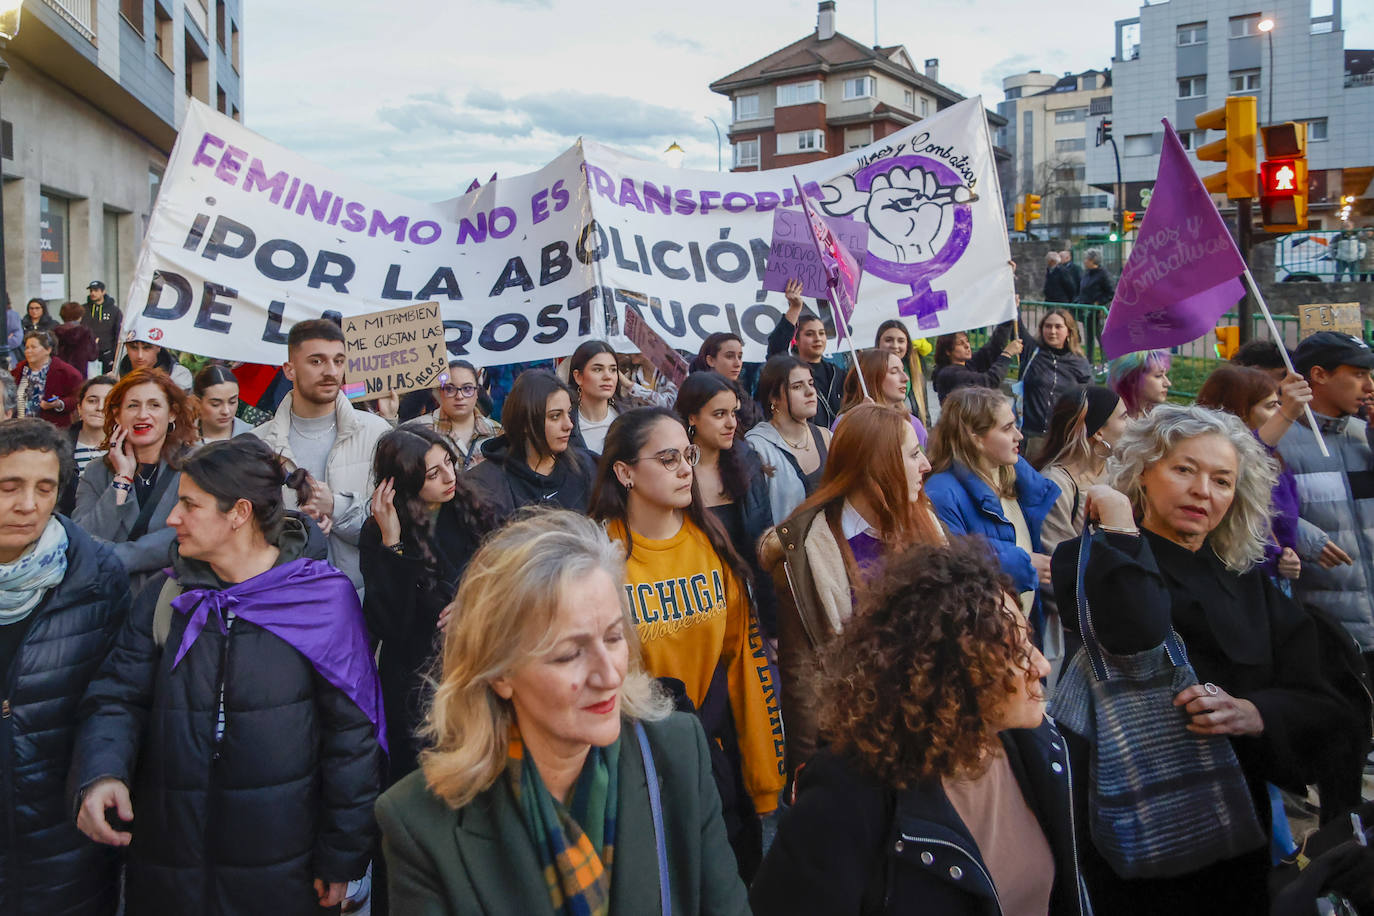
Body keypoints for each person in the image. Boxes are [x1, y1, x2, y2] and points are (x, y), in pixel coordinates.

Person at [1051, 405, 1362, 914]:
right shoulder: (1088, 560)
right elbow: (1135, 631)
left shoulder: (1245, 582)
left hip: (1235, 831)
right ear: (1143, 474)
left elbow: (1326, 703)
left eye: (1222, 480)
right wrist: (1121, 527)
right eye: (1183, 470)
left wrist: (1257, 713)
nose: (1203, 491)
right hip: (1135, 828)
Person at [374, 510, 751, 915]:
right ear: (500, 674)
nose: (609, 675)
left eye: (613, 637)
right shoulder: (419, 825)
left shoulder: (678, 752)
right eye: (570, 654)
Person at [72, 436, 383, 916]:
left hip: (283, 867)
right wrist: (102, 771)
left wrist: (342, 855)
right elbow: (117, 697)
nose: (172, 518)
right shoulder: (166, 595)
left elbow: (353, 739)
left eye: (189, 505)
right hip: (168, 863)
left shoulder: (321, 600)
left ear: (238, 513)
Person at [751, 541, 1089, 916]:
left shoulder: (1040, 748)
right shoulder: (847, 795)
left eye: (1029, 640)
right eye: (1013, 652)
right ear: (952, 675)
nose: (1041, 665)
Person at [590, 408, 785, 880]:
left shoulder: (711, 545)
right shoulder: (597, 556)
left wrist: (765, 779)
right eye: (668, 458)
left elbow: (747, 665)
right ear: (624, 472)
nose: (685, 469)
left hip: (714, 771)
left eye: (688, 455)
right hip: (632, 775)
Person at [760, 404, 944, 778]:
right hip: (855, 747)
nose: (926, 464)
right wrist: (808, 769)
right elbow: (802, 676)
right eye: (913, 454)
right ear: (877, 465)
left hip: (929, 733)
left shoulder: (926, 523)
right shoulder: (808, 551)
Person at [0, 419, 130, 916]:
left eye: (45, 487)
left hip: (60, 835)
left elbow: (116, 695)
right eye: (10, 487)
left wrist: (100, 775)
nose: (28, 505)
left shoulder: (96, 575)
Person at [360, 426, 496, 784]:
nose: (450, 476)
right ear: (403, 480)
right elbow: (388, 623)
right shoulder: (379, 532)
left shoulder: (472, 508)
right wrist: (393, 544)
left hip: (476, 665)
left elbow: (508, 578)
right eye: (433, 473)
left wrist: (474, 607)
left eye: (450, 462)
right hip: (417, 682)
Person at [251, 318, 392, 595]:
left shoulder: (377, 433)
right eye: (316, 362)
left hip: (362, 599)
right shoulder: (258, 444)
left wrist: (335, 507)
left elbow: (397, 525)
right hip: (281, 598)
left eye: (338, 361)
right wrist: (295, 531)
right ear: (289, 370)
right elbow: (242, 531)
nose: (331, 371)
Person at [926, 387, 1059, 640]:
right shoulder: (942, 493)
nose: (1019, 435)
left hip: (1021, 628)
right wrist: (1020, 564)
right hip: (982, 638)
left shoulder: (1016, 477)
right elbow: (949, 566)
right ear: (974, 436)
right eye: (1007, 428)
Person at [1277, 331, 1374, 672]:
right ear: (1319, 375)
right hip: (1328, 631)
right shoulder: (1279, 442)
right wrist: (1304, 538)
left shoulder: (1365, 435)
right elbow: (1256, 508)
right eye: (1359, 374)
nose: (1370, 385)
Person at [73, 368, 198, 592]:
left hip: (170, 596)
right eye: (133, 405)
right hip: (106, 600)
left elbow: (191, 532)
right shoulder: (96, 471)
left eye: (154, 405)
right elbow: (83, 540)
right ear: (117, 413)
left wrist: (117, 557)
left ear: (172, 413)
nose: (143, 414)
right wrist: (122, 479)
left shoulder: (197, 465)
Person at [674, 371, 777, 640]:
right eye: (719, 414)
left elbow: (762, 548)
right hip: (689, 619)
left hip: (742, 612)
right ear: (692, 417)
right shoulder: (671, 472)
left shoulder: (747, 463)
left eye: (733, 413)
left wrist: (773, 625)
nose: (731, 423)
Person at [1197, 364, 1311, 585]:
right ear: (1237, 410)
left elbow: (1283, 527)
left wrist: (1287, 555)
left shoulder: (1277, 463)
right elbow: (1247, 456)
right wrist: (1288, 413)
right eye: (1270, 406)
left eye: (1279, 405)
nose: (1277, 413)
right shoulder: (1219, 461)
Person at [465, 369, 597, 521]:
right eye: (555, 416)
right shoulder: (484, 485)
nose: (569, 425)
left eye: (568, 413)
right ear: (525, 421)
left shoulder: (588, 468)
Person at [1032, 386, 1128, 555]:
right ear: (1099, 433)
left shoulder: (1117, 471)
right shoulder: (1055, 485)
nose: (1131, 423)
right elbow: (1060, 560)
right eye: (1124, 417)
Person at [745, 354, 832, 526]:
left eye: (811, 383)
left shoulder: (827, 437)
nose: (810, 392)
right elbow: (757, 521)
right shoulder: (757, 447)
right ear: (774, 398)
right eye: (797, 386)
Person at [768, 279, 844, 427]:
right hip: (806, 441)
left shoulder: (837, 373)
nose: (817, 338)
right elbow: (775, 349)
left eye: (822, 333)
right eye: (809, 334)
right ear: (795, 340)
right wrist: (795, 308)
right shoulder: (789, 371)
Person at [406, 360, 502, 471]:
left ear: (477, 392)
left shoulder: (497, 432)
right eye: (450, 389)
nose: (459, 396)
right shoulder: (415, 431)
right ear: (439, 391)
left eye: (467, 388)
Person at [1021, 309, 1093, 445]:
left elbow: (1090, 398)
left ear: (1069, 331)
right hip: (1030, 436)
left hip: (1062, 439)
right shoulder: (1032, 352)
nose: (1052, 331)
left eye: (1058, 327)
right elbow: (1014, 325)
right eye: (1048, 326)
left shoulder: (1079, 362)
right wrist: (1013, 305)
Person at [835, 348, 929, 447]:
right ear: (872, 378)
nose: (905, 378)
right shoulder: (846, 424)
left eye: (903, 370)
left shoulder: (913, 423)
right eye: (894, 372)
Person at [60, 375, 116, 516]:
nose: (100, 408)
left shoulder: (126, 449)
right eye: (92, 401)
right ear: (79, 407)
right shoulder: (58, 445)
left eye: (109, 402)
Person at [930, 322, 1023, 404]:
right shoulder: (950, 374)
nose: (967, 346)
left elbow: (993, 348)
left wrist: (1007, 321)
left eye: (967, 341)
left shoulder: (966, 364)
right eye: (960, 343)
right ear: (948, 351)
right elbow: (989, 381)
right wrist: (1007, 354)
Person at [12, 329, 83, 427]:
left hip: (50, 429)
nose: (28, 351)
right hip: (19, 428)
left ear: (48, 350)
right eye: (27, 347)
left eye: (33, 347)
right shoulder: (19, 370)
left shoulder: (66, 372)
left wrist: (60, 404)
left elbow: (78, 397)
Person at [875, 318, 932, 428]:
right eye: (888, 340)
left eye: (901, 341)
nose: (895, 346)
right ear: (878, 343)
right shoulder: (865, 375)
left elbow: (926, 418)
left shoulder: (917, 376)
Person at [568, 340, 622, 453]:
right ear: (578, 377)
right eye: (598, 369)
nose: (608, 376)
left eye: (613, 370)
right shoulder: (564, 426)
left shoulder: (629, 421)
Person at [118, 328, 193, 391]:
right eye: (133, 348)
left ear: (158, 347)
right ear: (126, 347)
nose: (140, 355)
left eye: (146, 348)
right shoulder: (116, 378)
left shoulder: (179, 375)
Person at [192, 364, 250, 444]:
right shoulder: (182, 440)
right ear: (197, 403)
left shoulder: (252, 435)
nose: (226, 411)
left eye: (232, 402)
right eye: (215, 404)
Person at [1107, 348, 1172, 418]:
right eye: (1158, 376)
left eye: (1165, 375)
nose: (1168, 383)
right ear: (1132, 378)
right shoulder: (1110, 421)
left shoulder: (1161, 419)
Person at [82, 281, 122, 373]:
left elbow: (118, 333)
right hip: (86, 354)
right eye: (91, 291)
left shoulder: (114, 311)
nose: (93, 293)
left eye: (96, 290)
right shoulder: (83, 309)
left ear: (103, 292)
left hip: (106, 354)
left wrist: (114, 355)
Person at [53, 302, 98, 377]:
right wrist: (95, 345)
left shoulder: (55, 333)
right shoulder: (86, 333)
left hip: (60, 372)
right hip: (80, 373)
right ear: (80, 316)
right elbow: (92, 356)